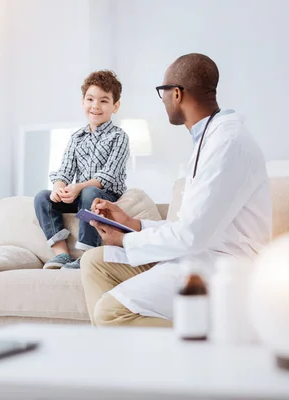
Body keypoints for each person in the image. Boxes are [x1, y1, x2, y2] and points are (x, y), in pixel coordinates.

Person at [80, 53, 272, 326]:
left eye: (163, 92)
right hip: (198, 253)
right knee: (95, 262)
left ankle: (195, 353)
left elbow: (191, 236)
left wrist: (124, 239)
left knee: (110, 312)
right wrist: (132, 224)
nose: (164, 101)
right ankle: (121, 358)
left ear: (178, 94)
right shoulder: (208, 138)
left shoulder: (227, 143)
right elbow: (188, 226)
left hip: (223, 267)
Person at [34, 70, 130, 270]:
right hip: (80, 194)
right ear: (83, 102)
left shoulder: (119, 136)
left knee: (89, 192)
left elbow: (107, 176)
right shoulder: (77, 137)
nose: (96, 106)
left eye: (104, 101)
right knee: (43, 197)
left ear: (115, 106)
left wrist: (79, 187)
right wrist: (59, 188)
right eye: (90, 99)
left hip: (104, 194)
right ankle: (62, 254)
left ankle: (88, 254)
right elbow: (65, 171)